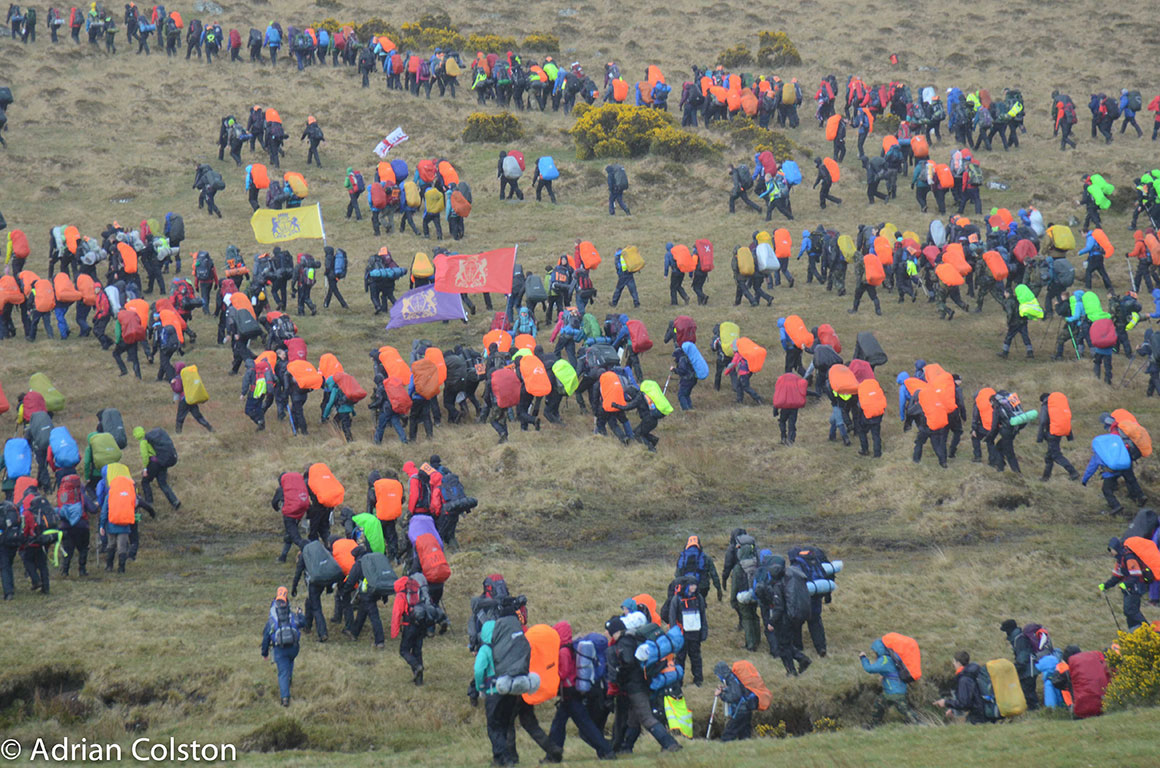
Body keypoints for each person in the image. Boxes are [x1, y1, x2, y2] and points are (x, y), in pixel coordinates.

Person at [605, 617, 682, 753]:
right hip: (641, 684)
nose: (607, 634)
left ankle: (670, 744)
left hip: (635, 687)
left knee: (646, 718)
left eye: (609, 631)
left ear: (615, 632)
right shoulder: (632, 639)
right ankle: (626, 748)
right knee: (634, 719)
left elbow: (628, 663)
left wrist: (619, 673)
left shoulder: (624, 643)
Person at [548, 620, 614, 759]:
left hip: (569, 692)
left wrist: (552, 672)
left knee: (584, 726)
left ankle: (607, 750)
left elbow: (564, 672)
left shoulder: (563, 651)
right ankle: (554, 755)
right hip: (572, 692)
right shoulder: (570, 648)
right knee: (561, 724)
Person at [260, 586, 302, 707]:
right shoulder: (291, 614)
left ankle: (285, 698)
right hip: (294, 648)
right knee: (290, 661)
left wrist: (265, 653)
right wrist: (300, 613)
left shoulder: (272, 618)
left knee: (282, 672)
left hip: (280, 649)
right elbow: (302, 622)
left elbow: (266, 637)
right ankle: (289, 680)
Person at [861, 638, 917, 726]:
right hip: (894, 690)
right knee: (879, 706)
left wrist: (863, 658)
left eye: (874, 651)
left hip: (894, 692)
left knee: (904, 710)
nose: (874, 654)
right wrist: (884, 675)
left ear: (878, 650)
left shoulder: (884, 660)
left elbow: (870, 669)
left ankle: (918, 723)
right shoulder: (891, 657)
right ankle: (874, 725)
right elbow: (891, 671)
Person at [664, 575, 707, 686]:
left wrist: (704, 631)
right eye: (691, 585)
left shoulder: (699, 598)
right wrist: (674, 634)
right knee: (680, 659)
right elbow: (672, 617)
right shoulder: (677, 599)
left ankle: (698, 679)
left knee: (696, 657)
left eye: (695, 585)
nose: (694, 588)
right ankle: (678, 681)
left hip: (695, 634)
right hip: (682, 634)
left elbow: (703, 616)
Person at [1100, 538, 1150, 630]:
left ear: (1116, 548)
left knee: (1131, 611)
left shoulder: (1128, 557)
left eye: (1111, 549)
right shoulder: (1120, 559)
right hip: (1129, 589)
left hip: (1136, 588)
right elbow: (1117, 576)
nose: (1111, 552)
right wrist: (1106, 585)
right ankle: (1135, 631)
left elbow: (1136, 574)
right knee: (1129, 611)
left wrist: (1126, 584)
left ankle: (1148, 630)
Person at [999, 619, 1047, 710]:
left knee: (1029, 694)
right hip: (1030, 670)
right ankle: (1035, 713)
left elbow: (1022, 659)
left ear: (1009, 630)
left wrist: (1014, 669)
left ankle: (1035, 713)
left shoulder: (1019, 639)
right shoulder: (1018, 637)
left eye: (1005, 631)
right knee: (1029, 693)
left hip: (1028, 672)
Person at [933, 651, 990, 724]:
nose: (953, 664)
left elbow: (964, 703)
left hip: (978, 714)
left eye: (954, 661)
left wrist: (945, 702)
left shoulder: (964, 679)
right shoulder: (973, 673)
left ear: (958, 663)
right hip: (984, 710)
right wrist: (953, 710)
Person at [134, 427, 181, 510]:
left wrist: (145, 469)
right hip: (161, 461)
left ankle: (149, 503)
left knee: (145, 482)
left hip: (153, 464)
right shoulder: (151, 439)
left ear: (136, 436)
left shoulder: (143, 442)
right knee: (163, 483)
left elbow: (145, 457)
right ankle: (174, 501)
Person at [1036, 393, 1079, 481]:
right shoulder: (1058, 405)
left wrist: (1039, 436)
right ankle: (1045, 477)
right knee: (1049, 456)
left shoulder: (1046, 405)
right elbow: (1065, 418)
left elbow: (1043, 421)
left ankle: (1073, 472)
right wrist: (1069, 436)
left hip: (1052, 433)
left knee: (1056, 455)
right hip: (1059, 432)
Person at [713, 661, 756, 741]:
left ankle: (724, 748)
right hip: (747, 708)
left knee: (728, 734)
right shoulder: (734, 677)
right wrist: (725, 689)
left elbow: (735, 696)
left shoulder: (731, 679)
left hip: (740, 710)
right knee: (744, 734)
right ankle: (746, 749)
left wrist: (721, 695)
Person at [171, 362, 214, 434]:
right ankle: (210, 428)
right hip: (192, 398)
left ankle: (178, 433)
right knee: (198, 416)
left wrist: (172, 384)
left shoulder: (179, 377)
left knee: (180, 417)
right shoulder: (189, 375)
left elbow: (178, 389)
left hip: (184, 400)